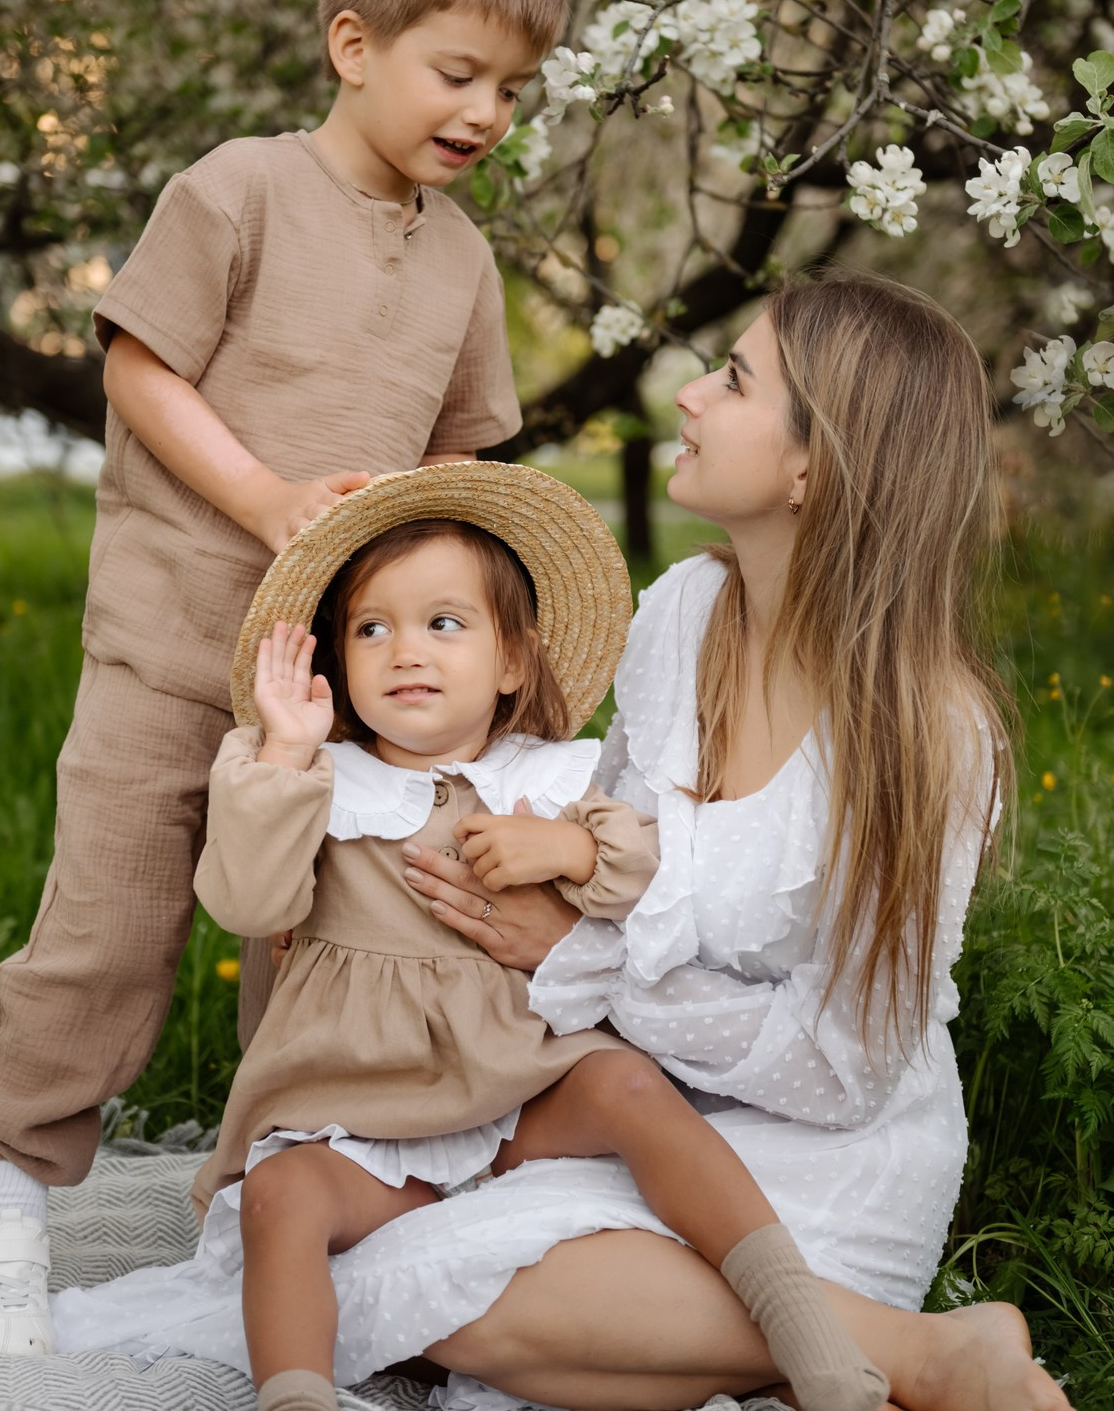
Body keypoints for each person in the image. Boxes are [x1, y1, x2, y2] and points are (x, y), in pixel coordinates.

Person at [0, 0, 568, 1359]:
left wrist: (456, 630)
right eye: (458, 72)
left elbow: (463, 459)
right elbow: (139, 371)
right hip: (175, 640)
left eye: (515, 89)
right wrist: (271, 498)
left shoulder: (466, 261)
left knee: (315, 946)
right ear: (356, 45)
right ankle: (13, 1187)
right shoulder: (238, 189)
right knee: (114, 912)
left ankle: (263, 1194)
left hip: (340, 687)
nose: (486, 111)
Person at [369, 272, 1071, 1411]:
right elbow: (607, 862)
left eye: (734, 378)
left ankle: (909, 1349)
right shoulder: (680, 612)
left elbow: (843, 1070)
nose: (688, 396)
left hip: (835, 1152)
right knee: (393, 1278)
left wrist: (587, 961)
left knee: (470, 1300)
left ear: (814, 467)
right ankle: (897, 1355)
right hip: (663, 1114)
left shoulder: (931, 736)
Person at [54, 461, 889, 1411]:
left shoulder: (554, 774)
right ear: (336, 661)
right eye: (373, 628)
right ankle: (295, 1399)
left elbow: (649, 881)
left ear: (513, 663)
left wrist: (568, 847)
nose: (406, 650)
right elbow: (245, 902)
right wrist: (284, 749)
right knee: (285, 1199)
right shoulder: (320, 783)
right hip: (360, 1107)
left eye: (443, 623)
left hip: (515, 1087)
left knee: (624, 1082)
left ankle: (813, 1339)